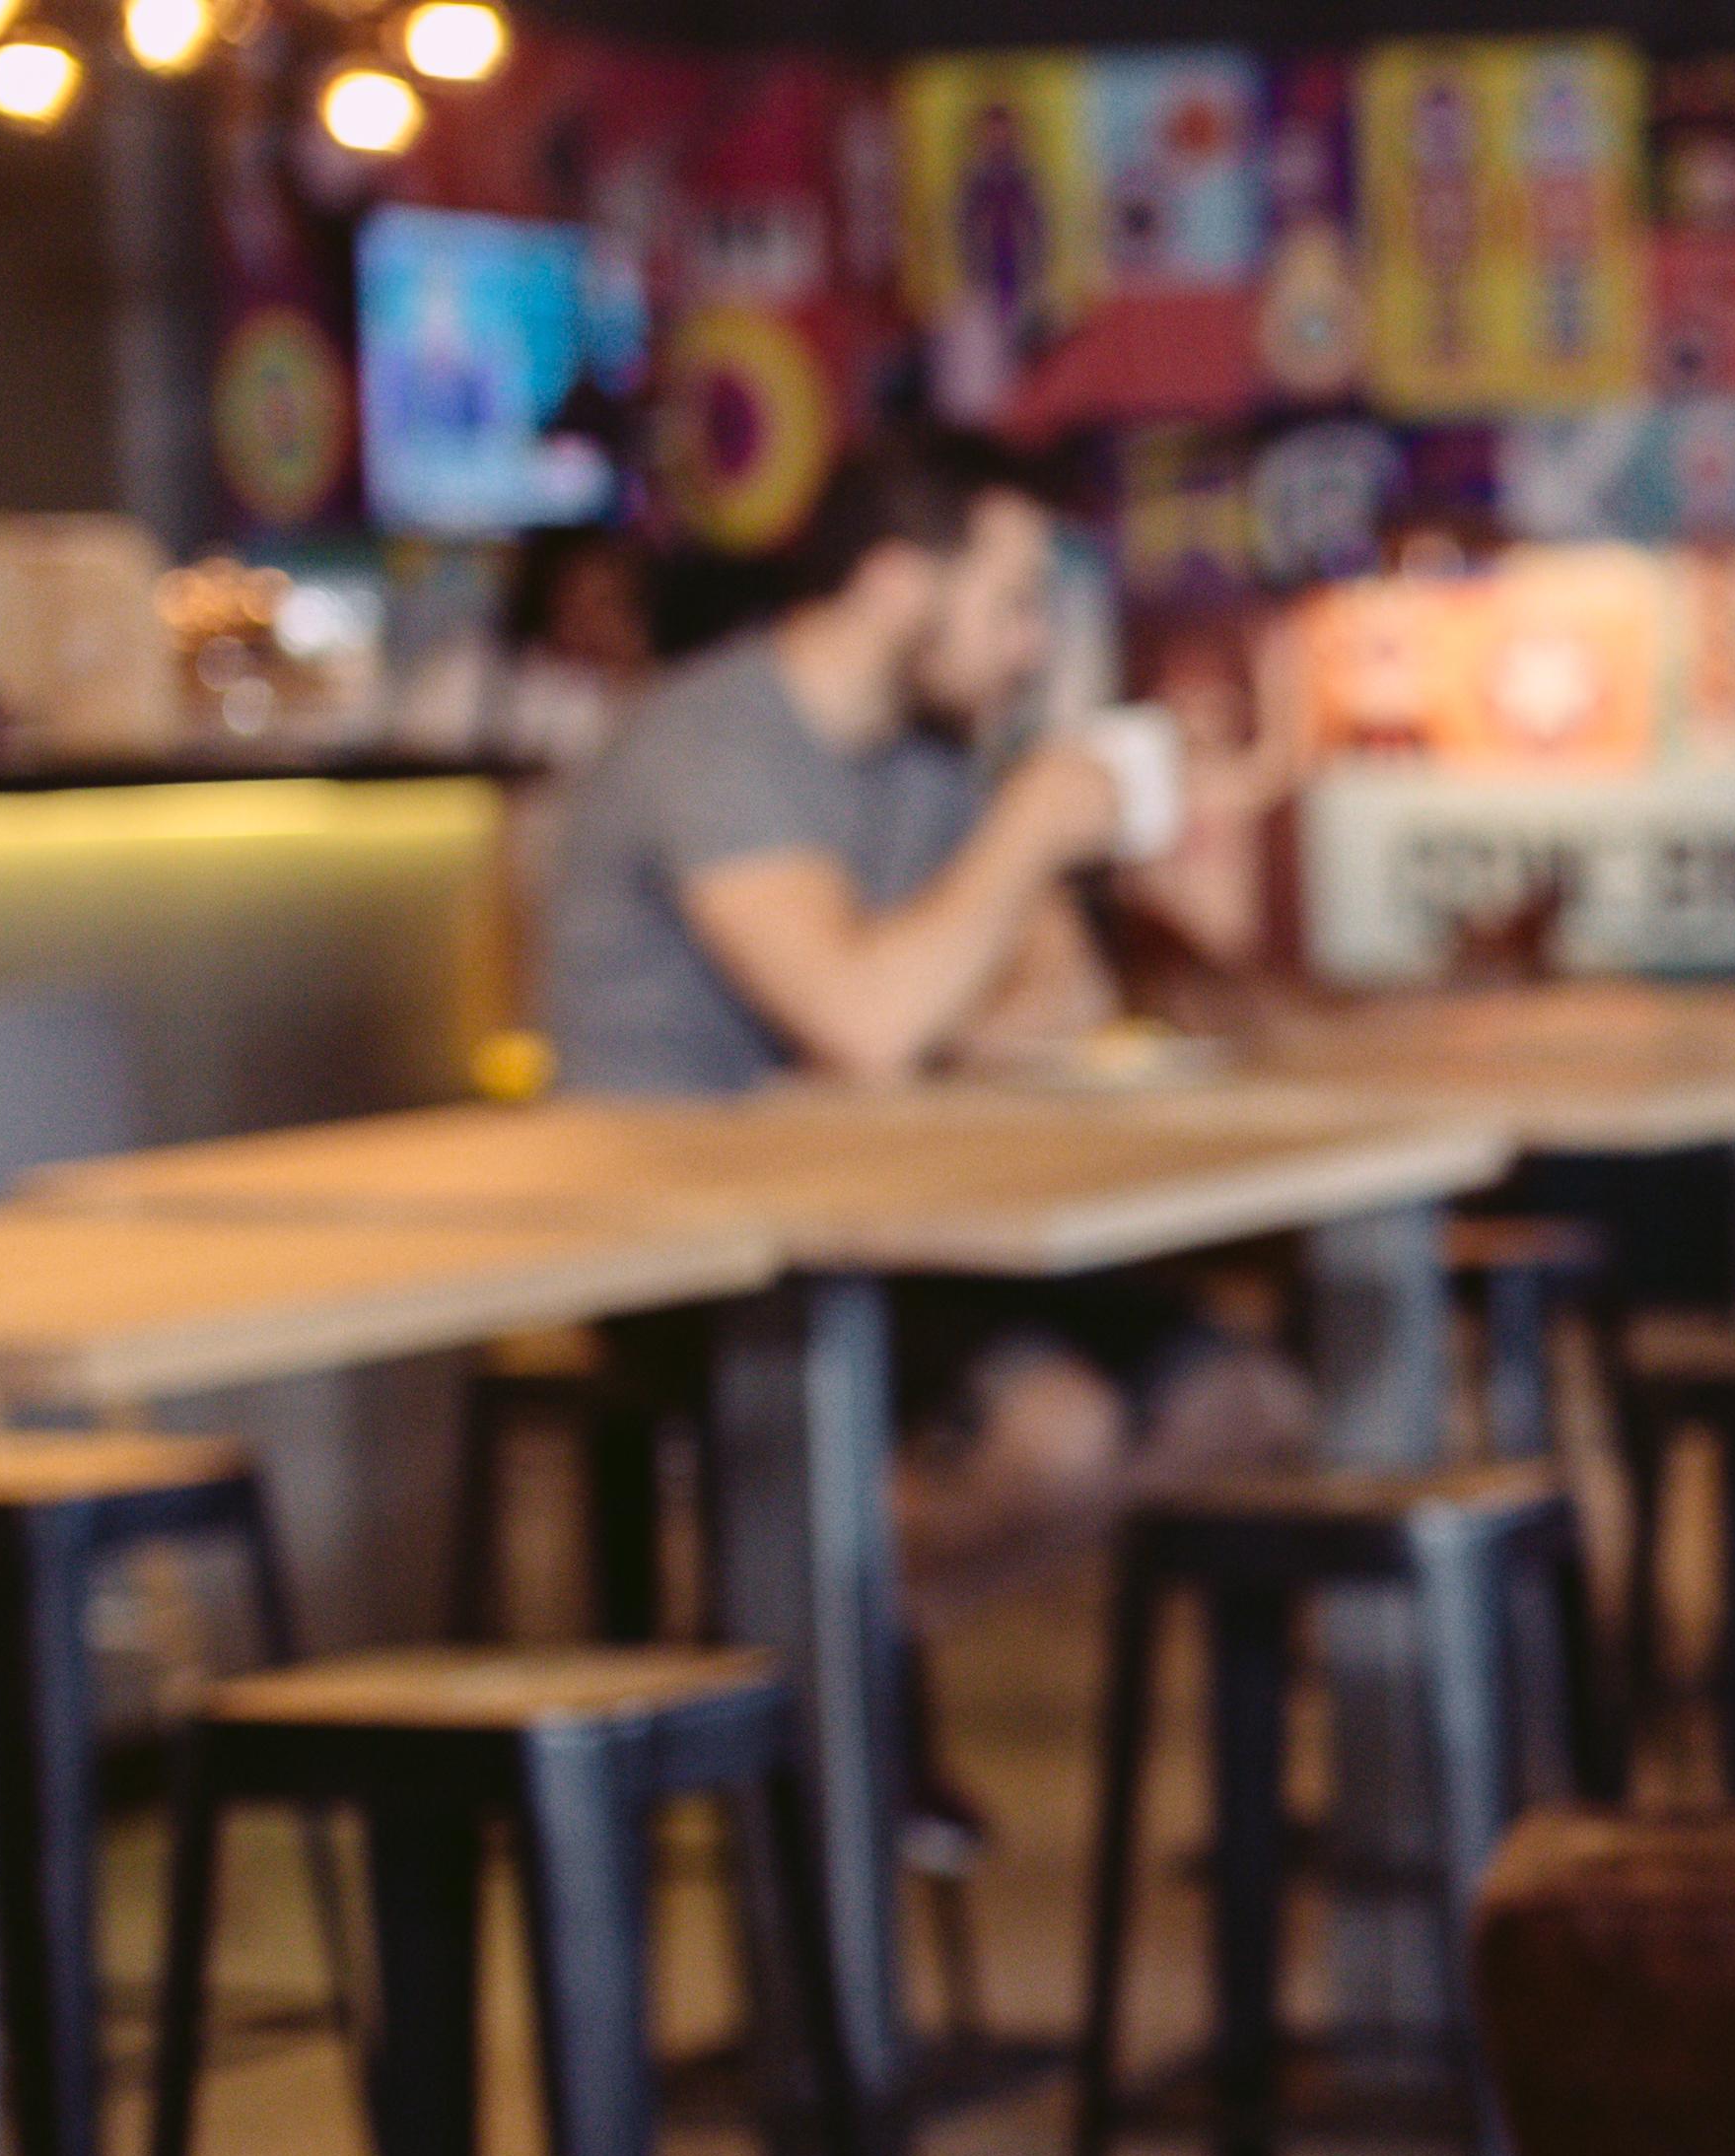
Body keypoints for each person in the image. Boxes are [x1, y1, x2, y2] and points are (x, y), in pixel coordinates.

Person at [536, 425, 1304, 1624]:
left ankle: (825, 1662)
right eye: (1009, 602)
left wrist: (982, 915)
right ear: (897, 582)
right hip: (689, 1245)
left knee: (1241, 1399)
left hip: (871, 1221)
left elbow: (1060, 1007)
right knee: (1050, 1432)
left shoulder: (926, 762)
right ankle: (799, 1686)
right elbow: (870, 1028)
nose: (1032, 642)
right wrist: (1027, 833)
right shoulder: (715, 743)